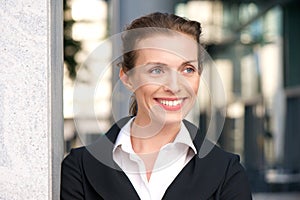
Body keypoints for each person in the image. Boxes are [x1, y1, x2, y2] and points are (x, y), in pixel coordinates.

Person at [60, 12, 252, 200]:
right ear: (127, 77)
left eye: (187, 69)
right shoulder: (79, 170)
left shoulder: (227, 172)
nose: (175, 86)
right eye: (157, 70)